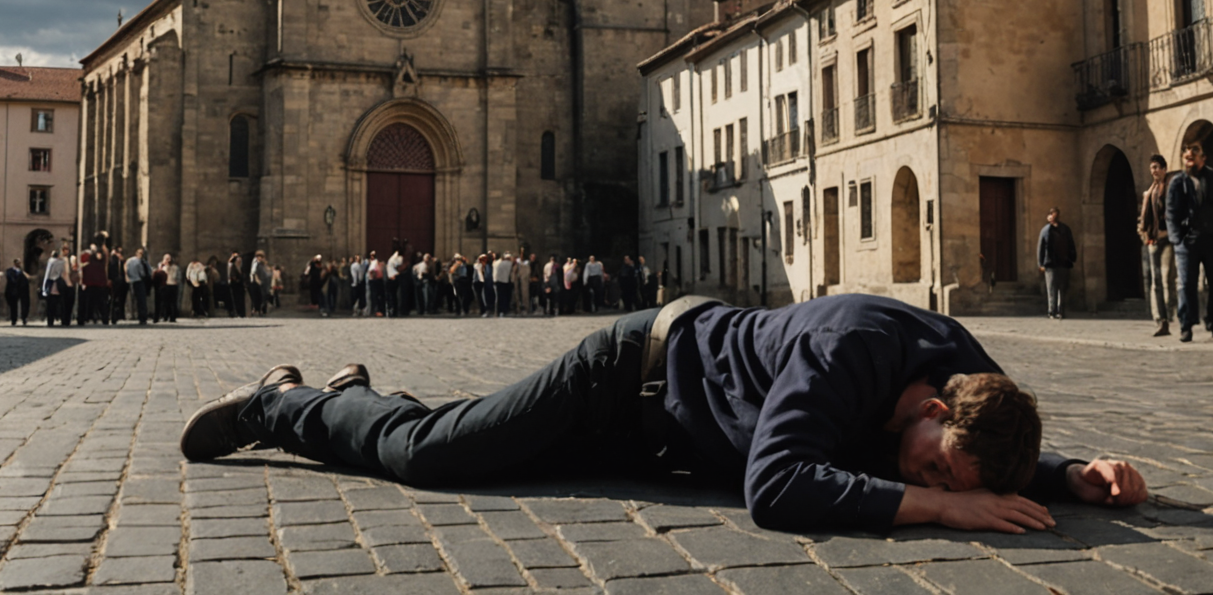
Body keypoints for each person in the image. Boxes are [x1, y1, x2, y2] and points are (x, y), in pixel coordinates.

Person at [181, 293, 1148, 535]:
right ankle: (285, 403)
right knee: (434, 456)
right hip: (621, 378)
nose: (924, 477)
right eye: (933, 465)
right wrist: (943, 510)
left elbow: (989, 453)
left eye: (939, 480)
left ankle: (355, 401)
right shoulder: (848, 350)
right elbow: (775, 489)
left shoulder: (972, 384)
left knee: (455, 438)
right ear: (931, 407)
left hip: (660, 434)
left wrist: (1067, 474)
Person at [1165, 142, 1213, 343]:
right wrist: (1178, 238)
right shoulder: (1177, 183)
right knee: (1186, 284)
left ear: (1203, 158)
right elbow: (1171, 213)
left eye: (1194, 155)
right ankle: (1186, 326)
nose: (1190, 158)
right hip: (1187, 243)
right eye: (1187, 156)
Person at [1136, 154, 1175, 337]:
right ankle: (1162, 320)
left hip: (1170, 238)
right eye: (1153, 167)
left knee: (1167, 278)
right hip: (1153, 239)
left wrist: (1168, 232)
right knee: (1156, 281)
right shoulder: (1150, 191)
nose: (1155, 171)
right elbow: (1146, 217)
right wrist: (1145, 232)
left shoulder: (1169, 188)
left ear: (1164, 169)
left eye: (1158, 167)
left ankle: (1174, 315)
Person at [1036, 208, 1075, 320]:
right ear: (1049, 216)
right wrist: (1041, 264)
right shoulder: (1045, 230)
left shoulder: (1065, 229)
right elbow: (1041, 247)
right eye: (1052, 215)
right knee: (1051, 288)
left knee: (1062, 288)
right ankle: (1051, 311)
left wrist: (1071, 258)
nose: (1054, 217)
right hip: (1050, 263)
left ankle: (1061, 310)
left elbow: (1070, 244)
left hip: (1063, 262)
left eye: (1056, 215)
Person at [5, 260, 31, 325]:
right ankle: (14, 319)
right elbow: (11, 279)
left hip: (22, 290)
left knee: (24, 304)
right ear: (14, 263)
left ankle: (24, 317)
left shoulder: (22, 272)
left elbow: (28, 279)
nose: (19, 264)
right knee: (13, 306)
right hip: (13, 290)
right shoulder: (9, 271)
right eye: (17, 263)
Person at [492, 252, 514, 318]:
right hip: (505, 281)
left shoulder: (498, 263)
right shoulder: (510, 263)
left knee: (499, 297)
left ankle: (498, 312)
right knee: (505, 297)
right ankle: (504, 311)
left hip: (498, 281)